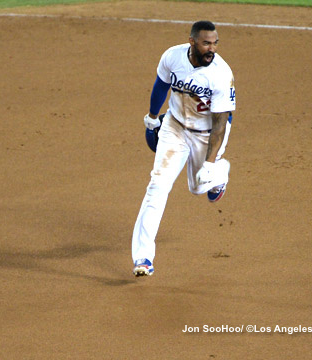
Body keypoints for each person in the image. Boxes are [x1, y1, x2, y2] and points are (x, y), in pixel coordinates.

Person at [132, 20, 236, 277]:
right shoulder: (172, 56)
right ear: (192, 42)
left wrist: (210, 164)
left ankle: (220, 174)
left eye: (215, 43)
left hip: (208, 133)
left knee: (198, 187)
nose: (211, 48)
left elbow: (221, 122)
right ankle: (143, 257)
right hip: (175, 127)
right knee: (157, 186)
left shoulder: (221, 73)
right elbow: (161, 86)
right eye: (206, 43)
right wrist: (152, 118)